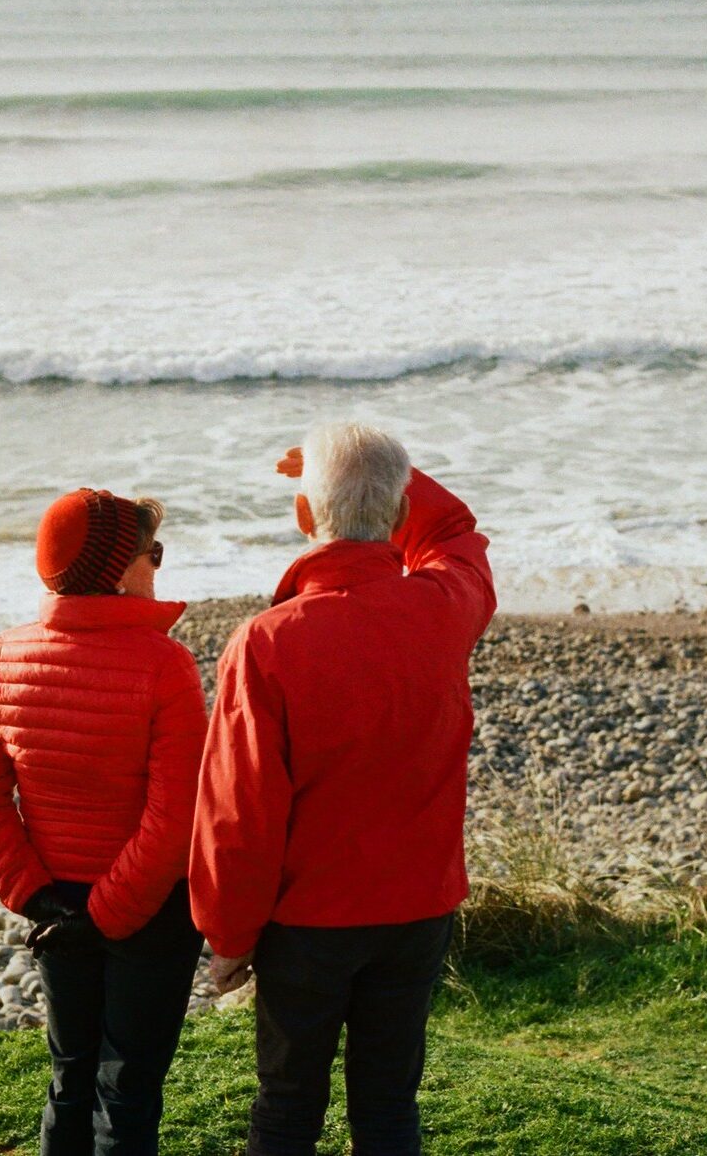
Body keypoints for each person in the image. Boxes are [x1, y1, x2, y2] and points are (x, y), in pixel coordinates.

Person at [190, 423, 496, 1156]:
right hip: (418, 911)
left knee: (289, 1107)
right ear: (398, 517)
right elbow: (455, 533)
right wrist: (390, 481)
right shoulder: (443, 607)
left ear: (303, 517)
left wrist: (228, 938)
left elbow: (239, 814)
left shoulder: (266, 641)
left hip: (309, 925)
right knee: (389, 1106)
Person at [0, 487, 207, 1156]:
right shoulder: (166, 666)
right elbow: (176, 815)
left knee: (70, 1079)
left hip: (57, 906)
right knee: (126, 1093)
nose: (159, 566)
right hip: (148, 910)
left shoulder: (4, 657)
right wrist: (109, 910)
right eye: (153, 553)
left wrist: (39, 897)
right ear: (122, 570)